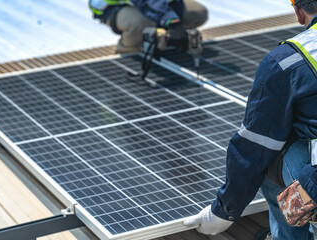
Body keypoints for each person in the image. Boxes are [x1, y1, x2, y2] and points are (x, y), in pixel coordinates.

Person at [183, 0, 317, 239]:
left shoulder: (287, 60)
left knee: (272, 150)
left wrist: (224, 211)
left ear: (298, 12)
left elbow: (255, 146)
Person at [88, 0, 208, 53]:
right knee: (140, 23)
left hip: (153, 3)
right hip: (113, 8)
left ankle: (166, 39)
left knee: (198, 12)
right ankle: (129, 50)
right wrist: (172, 22)